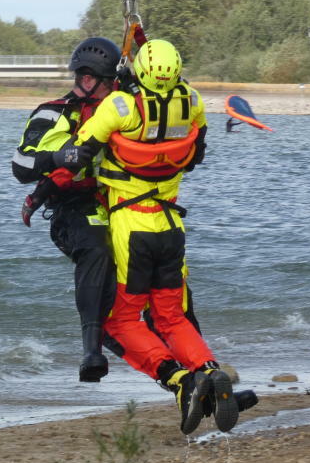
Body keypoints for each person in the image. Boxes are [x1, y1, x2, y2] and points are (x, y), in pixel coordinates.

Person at [64, 39, 242, 435]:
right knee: (172, 316)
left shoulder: (121, 107)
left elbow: (78, 153)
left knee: (121, 321)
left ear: (138, 71)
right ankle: (208, 371)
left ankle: (179, 380)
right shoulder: (193, 101)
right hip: (170, 226)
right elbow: (195, 155)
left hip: (131, 226)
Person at [11, 37, 121, 383]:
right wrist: (60, 157)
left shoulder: (123, 108)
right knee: (96, 249)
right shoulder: (52, 112)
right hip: (71, 211)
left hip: (122, 203)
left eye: (96, 79)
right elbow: (20, 165)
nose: (88, 84)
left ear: (110, 81)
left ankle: (193, 366)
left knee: (162, 260)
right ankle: (92, 350)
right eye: (82, 77)